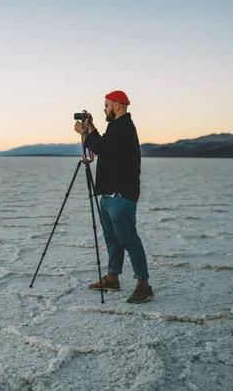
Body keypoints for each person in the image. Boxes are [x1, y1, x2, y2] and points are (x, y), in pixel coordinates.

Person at [74, 90, 154, 304]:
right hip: (110, 194)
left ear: (117, 105)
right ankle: (112, 278)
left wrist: (85, 133)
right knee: (112, 239)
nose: (104, 108)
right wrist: (92, 130)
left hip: (121, 195)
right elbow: (107, 148)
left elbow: (100, 148)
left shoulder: (124, 127)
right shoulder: (116, 127)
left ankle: (144, 286)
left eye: (107, 105)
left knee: (129, 240)